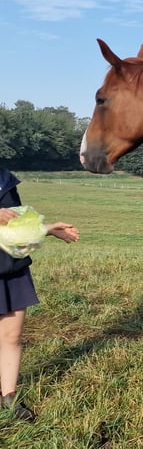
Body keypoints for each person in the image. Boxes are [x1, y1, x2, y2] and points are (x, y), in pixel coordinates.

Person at [0, 168, 79, 421]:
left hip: (9, 267)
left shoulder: (4, 179)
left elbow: (14, 226)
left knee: (12, 336)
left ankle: (9, 400)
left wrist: (47, 228)